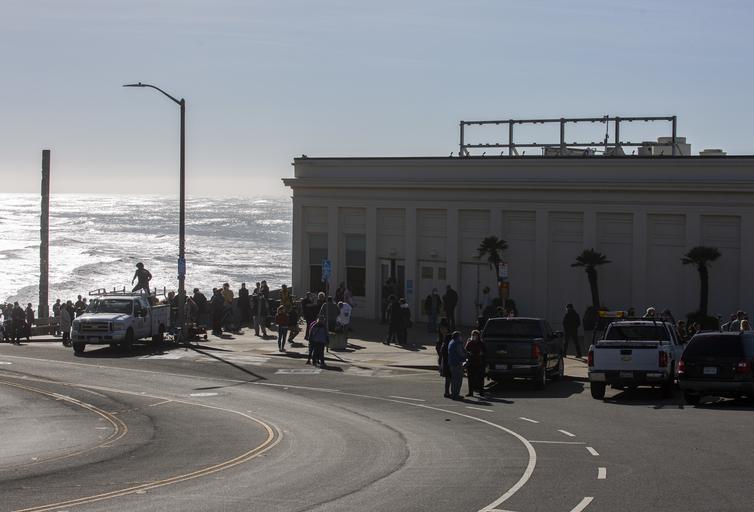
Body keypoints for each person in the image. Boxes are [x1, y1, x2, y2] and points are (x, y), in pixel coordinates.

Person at [464, 330, 485, 397]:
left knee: (480, 378)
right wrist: (469, 353)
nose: (474, 336)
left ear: (478, 336)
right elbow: (465, 350)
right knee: (470, 378)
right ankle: (470, 392)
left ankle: (481, 392)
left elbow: (485, 351)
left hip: (479, 363)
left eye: (475, 335)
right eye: (473, 335)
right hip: (471, 362)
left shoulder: (481, 343)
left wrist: (482, 353)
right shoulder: (470, 342)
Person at [447, 331, 466, 399]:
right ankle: (456, 394)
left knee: (454, 380)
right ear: (458, 336)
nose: (461, 337)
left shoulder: (451, 342)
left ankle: (453, 393)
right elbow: (460, 353)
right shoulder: (457, 343)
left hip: (452, 363)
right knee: (458, 380)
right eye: (460, 336)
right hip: (457, 363)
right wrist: (465, 357)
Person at [435, 318, 451, 397]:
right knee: (447, 376)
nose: (443, 330)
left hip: (448, 358)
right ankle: (447, 391)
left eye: (444, 329)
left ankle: (450, 391)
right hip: (444, 359)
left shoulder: (449, 337)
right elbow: (438, 348)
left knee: (449, 376)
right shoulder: (440, 339)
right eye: (441, 329)